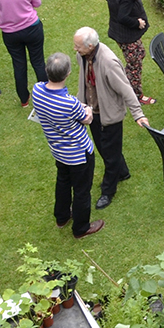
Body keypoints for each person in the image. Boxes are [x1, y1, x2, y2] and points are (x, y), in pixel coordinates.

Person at [73, 26, 149, 211]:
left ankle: (108, 190)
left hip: (110, 115)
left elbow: (126, 89)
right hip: (93, 113)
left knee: (110, 153)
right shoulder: (82, 56)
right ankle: (122, 173)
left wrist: (138, 114)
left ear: (91, 46)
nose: (75, 49)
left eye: (78, 46)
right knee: (105, 148)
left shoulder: (109, 63)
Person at [32, 52, 103, 238]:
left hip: (58, 150)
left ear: (47, 71)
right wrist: (87, 109)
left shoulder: (37, 90)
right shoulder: (69, 103)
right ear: (68, 73)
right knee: (82, 191)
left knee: (63, 182)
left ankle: (62, 217)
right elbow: (87, 119)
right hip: (79, 153)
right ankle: (81, 228)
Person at [105, 0, 154, 105]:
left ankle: (123, 83)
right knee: (135, 65)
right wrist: (137, 22)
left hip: (119, 32)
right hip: (126, 35)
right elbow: (123, 17)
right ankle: (135, 95)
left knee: (139, 54)